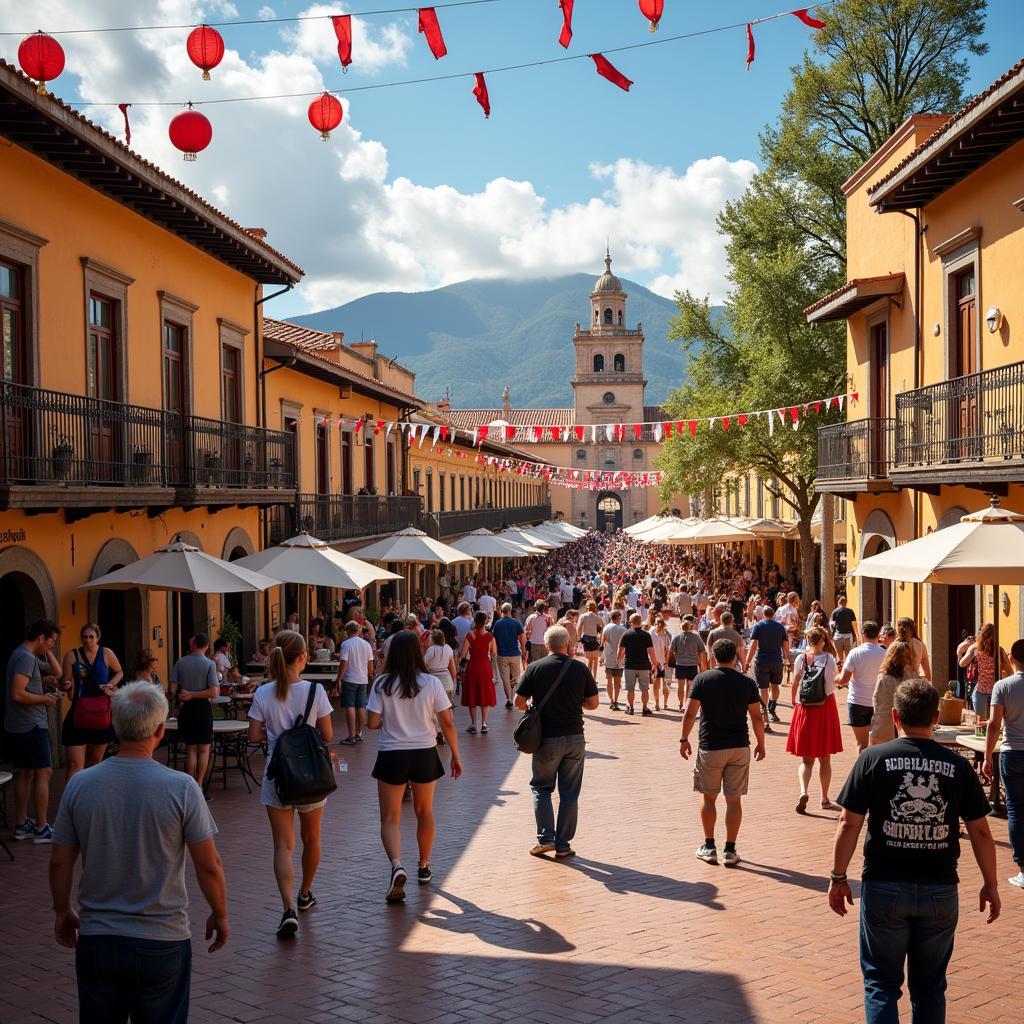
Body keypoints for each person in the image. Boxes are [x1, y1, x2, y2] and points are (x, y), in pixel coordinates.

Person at [50, 682, 229, 1022]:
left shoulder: (80, 784)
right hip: (161, 939)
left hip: (97, 936)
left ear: (115, 725)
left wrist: (63, 909)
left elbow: (60, 860)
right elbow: (209, 865)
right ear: (161, 730)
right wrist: (219, 913)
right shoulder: (182, 787)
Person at [829, 680, 1000, 1023]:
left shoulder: (873, 759)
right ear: (936, 717)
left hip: (884, 884)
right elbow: (981, 830)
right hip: (939, 888)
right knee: (930, 986)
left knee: (880, 982)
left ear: (895, 716)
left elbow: (849, 823)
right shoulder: (957, 767)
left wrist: (838, 876)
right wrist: (990, 883)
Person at [247, 630, 334, 937]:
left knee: (283, 845)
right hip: (310, 775)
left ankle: (287, 909)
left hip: (277, 776)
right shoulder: (315, 691)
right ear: (301, 658)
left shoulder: (262, 693)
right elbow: (327, 735)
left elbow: (253, 736)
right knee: (312, 839)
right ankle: (305, 892)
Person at [367, 632, 462, 901]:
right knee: (424, 811)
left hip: (392, 754)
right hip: (424, 751)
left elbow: (372, 723)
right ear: (418, 653)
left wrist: (389, 720)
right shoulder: (432, 683)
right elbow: (448, 723)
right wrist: (455, 755)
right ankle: (424, 866)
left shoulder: (381, 684)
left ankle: (397, 865)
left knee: (390, 818)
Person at [514, 624, 599, 858]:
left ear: (547, 644)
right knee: (570, 792)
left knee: (541, 787)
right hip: (575, 736)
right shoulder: (580, 669)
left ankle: (545, 838)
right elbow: (593, 703)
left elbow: (518, 702)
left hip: (547, 739)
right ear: (567, 645)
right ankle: (563, 843)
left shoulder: (535, 668)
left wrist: (534, 705)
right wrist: (575, 702)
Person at [680, 638, 765, 866]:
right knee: (734, 800)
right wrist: (761, 743)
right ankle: (730, 849)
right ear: (735, 657)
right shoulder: (747, 683)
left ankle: (709, 846)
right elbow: (757, 717)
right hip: (739, 745)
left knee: (709, 797)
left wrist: (684, 739)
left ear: (714, 656)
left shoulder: (702, 679)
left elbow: (690, 713)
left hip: (711, 746)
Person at [5, 619, 61, 844]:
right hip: (31, 724)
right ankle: (40, 827)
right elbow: (17, 694)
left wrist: (43, 676)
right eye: (51, 642)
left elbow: (57, 673)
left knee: (26, 773)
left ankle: (22, 824)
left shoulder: (24, 656)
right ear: (41, 637)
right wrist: (45, 699)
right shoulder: (26, 658)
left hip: (22, 724)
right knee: (44, 773)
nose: (52, 646)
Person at [788, 627, 843, 813]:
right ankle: (825, 798)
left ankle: (803, 790)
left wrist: (794, 702)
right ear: (823, 640)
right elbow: (831, 687)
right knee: (825, 759)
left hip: (804, 708)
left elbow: (796, 682)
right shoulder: (829, 659)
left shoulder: (800, 658)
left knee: (806, 760)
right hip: (825, 707)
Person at [983, 638, 1024, 888]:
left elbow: (994, 724)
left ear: (1011, 658)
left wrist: (988, 755)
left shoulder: (1003, 686)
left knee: (1016, 811)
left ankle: (1022, 867)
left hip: (1012, 753)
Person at [61, 623, 123, 782]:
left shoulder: (106, 653)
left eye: (91, 637)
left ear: (98, 637)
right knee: (75, 765)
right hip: (78, 711)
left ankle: (92, 801)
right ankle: (71, 802)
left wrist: (111, 683)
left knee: (95, 763)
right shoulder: (71, 655)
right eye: (85, 637)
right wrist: (67, 686)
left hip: (100, 712)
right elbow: (67, 683)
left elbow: (119, 671)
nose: (88, 640)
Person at [170, 634, 219, 786]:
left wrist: (179, 702)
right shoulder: (210, 664)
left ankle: (190, 783)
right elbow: (214, 692)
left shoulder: (181, 662)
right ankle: (199, 783)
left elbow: (172, 689)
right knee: (204, 749)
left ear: (193, 645)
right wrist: (195, 694)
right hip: (203, 708)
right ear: (206, 646)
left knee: (190, 749)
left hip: (186, 708)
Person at [836, 621, 886, 752]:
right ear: (878, 634)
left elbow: (843, 680)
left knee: (862, 745)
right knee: (876, 744)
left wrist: (836, 676)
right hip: (878, 702)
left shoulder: (855, 653)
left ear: (863, 634)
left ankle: (863, 772)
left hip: (857, 701)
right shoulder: (885, 654)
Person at [959, 622, 1010, 724]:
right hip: (996, 690)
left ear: (981, 634)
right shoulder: (999, 651)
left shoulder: (976, 649)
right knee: (995, 722)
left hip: (981, 690)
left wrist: (960, 652)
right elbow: (1010, 670)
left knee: (980, 723)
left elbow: (962, 663)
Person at [746, 612, 790, 731]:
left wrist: (747, 661)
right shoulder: (780, 627)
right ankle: (772, 708)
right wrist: (787, 658)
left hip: (762, 660)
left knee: (763, 689)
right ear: (773, 615)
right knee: (775, 686)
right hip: (776, 660)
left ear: (763, 615)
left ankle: (765, 717)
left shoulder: (759, 626)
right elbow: (785, 644)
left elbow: (753, 645)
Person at [335, 620, 375, 747]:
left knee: (350, 706)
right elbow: (370, 664)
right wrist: (369, 676)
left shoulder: (346, 644)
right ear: (357, 631)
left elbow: (344, 662)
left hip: (349, 678)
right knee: (361, 706)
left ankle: (351, 735)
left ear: (347, 631)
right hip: (362, 679)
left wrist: (339, 678)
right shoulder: (366, 645)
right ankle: (359, 732)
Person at [869, 641, 916, 746]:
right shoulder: (910, 675)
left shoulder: (884, 677)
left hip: (885, 726)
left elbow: (876, 702)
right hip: (901, 726)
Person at [460, 611, 497, 734]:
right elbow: (494, 653)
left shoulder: (470, 635)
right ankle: (484, 724)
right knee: (484, 694)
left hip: (473, 666)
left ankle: (473, 724)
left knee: (473, 694)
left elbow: (463, 654)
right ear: (485, 621)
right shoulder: (490, 636)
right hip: (485, 667)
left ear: (474, 621)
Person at [616, 613, 656, 717]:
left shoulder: (626, 634)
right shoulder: (646, 635)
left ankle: (631, 708)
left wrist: (618, 660)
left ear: (630, 622)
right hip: (643, 665)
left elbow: (620, 650)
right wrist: (655, 664)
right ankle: (644, 708)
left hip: (630, 664)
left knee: (630, 689)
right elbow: (651, 652)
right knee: (644, 689)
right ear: (640, 622)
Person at [423, 629, 457, 745]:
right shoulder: (448, 649)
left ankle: (437, 731)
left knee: (433, 709)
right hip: (446, 681)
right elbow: (453, 669)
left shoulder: (430, 650)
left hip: (433, 680)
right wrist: (453, 682)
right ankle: (447, 728)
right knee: (447, 707)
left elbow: (424, 665)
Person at [668, 616, 708, 713]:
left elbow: (671, 650)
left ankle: (680, 704)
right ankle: (686, 704)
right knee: (690, 686)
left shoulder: (677, 637)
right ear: (690, 627)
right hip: (692, 665)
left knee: (680, 686)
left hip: (680, 664)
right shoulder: (696, 637)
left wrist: (674, 658)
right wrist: (702, 664)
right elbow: (702, 650)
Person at [492, 603, 527, 710]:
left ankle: (509, 700)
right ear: (510, 611)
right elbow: (522, 638)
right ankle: (515, 696)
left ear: (502, 611)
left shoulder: (497, 624)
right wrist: (524, 650)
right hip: (515, 654)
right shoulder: (516, 623)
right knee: (516, 677)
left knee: (505, 679)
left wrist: (493, 653)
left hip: (502, 655)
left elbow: (493, 639)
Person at [600, 609, 627, 710]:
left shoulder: (606, 628)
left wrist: (602, 657)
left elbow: (602, 643)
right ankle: (616, 700)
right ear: (618, 618)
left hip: (608, 657)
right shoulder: (623, 629)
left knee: (609, 681)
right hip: (619, 659)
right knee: (617, 682)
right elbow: (625, 646)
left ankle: (611, 700)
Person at [897, 616, 933, 685]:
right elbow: (928, 676)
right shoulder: (921, 645)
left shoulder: (896, 644)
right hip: (914, 682)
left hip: (898, 682)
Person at [650, 616, 672, 712]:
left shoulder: (651, 633)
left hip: (655, 662)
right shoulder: (667, 634)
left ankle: (657, 703)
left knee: (656, 684)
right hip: (665, 662)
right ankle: (665, 703)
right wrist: (667, 661)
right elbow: (668, 649)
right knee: (666, 683)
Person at [830, 596, 859, 667]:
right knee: (848, 655)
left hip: (838, 635)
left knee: (839, 657)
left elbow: (832, 625)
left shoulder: (835, 611)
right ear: (846, 602)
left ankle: (840, 668)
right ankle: (847, 669)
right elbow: (854, 624)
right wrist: (855, 635)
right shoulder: (850, 611)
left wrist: (832, 635)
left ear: (839, 602)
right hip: (848, 635)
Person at [578, 599, 603, 680]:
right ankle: (594, 678)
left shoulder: (583, 616)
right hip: (594, 639)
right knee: (595, 660)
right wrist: (601, 635)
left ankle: (588, 678)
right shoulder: (597, 617)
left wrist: (579, 638)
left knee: (589, 660)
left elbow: (579, 627)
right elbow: (603, 626)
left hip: (586, 639)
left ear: (587, 607)